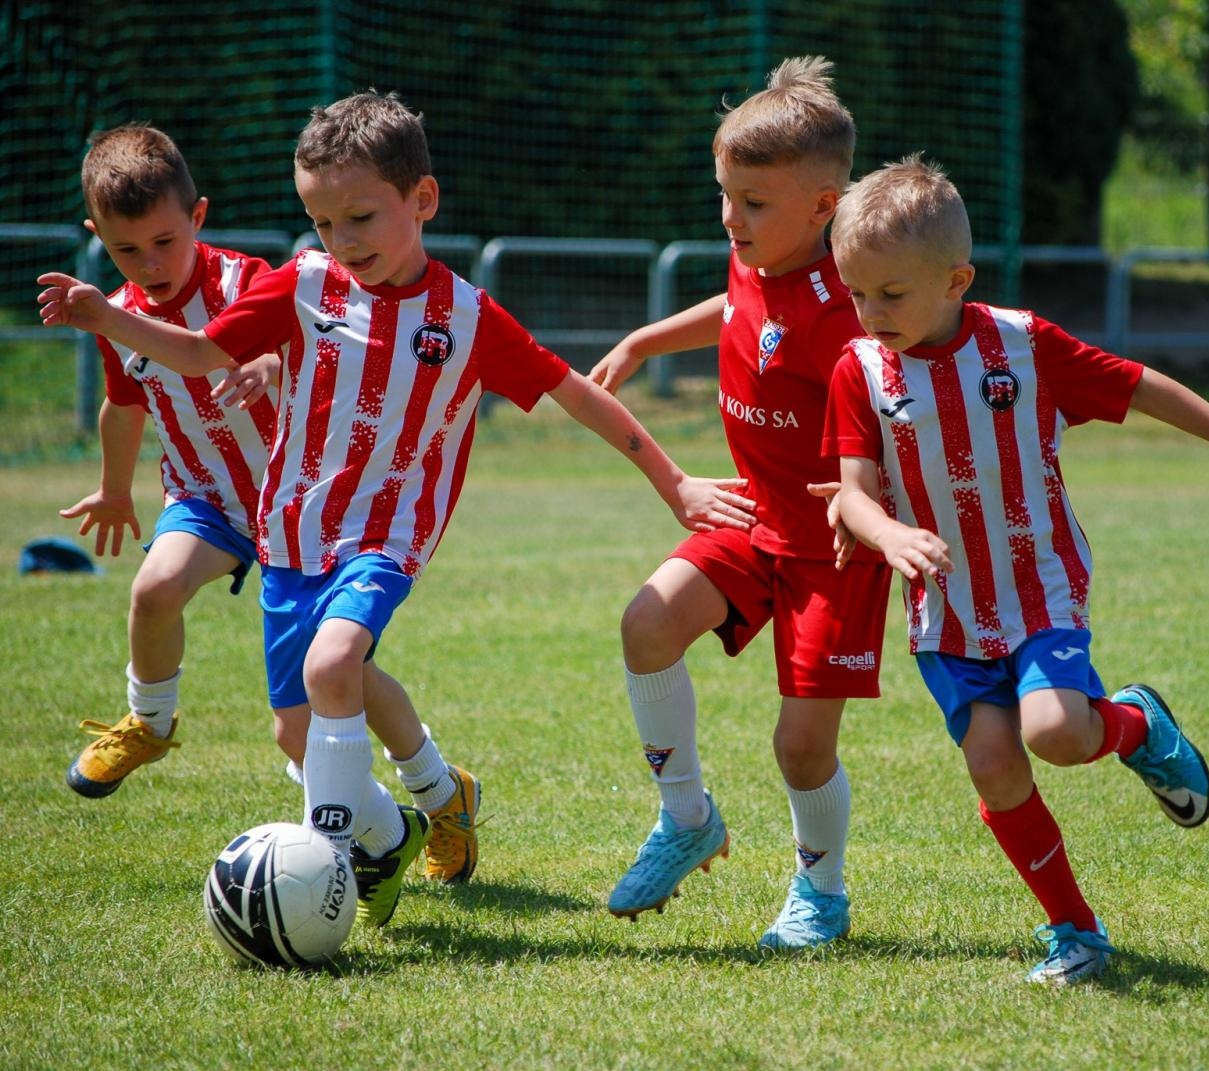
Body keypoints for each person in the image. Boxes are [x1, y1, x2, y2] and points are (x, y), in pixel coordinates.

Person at [39, 91, 755, 930]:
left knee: (335, 661)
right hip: (292, 532)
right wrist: (103, 317)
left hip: (385, 536)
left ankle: (329, 865)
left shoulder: (466, 317)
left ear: (422, 200)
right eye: (323, 221)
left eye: (360, 218)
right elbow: (199, 351)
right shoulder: (304, 284)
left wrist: (676, 484)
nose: (343, 241)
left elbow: (575, 394)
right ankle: (422, 811)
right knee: (295, 732)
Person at [823, 156, 1209, 984]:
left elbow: (1139, 386)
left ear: (956, 280)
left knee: (1055, 732)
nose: (872, 314)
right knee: (993, 762)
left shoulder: (1020, 346)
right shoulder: (859, 372)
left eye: (892, 295)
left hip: (1037, 588)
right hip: (944, 613)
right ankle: (1076, 930)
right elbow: (852, 493)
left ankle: (1135, 726)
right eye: (858, 294)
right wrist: (888, 535)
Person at [56, 125, 485, 905]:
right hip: (210, 500)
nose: (150, 266)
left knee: (334, 682)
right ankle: (151, 722)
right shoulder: (116, 316)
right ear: (98, 242)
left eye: (164, 242)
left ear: (199, 218)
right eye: (127, 251)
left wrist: (262, 363)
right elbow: (124, 408)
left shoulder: (249, 279)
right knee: (153, 591)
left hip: (308, 506)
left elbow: (308, 341)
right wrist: (117, 490)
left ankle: (436, 791)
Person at [588, 57, 891, 950]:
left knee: (799, 746)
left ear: (824, 207)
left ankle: (822, 895)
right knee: (646, 624)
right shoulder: (756, 252)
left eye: (753, 203)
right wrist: (647, 338)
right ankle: (686, 818)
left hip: (835, 544)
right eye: (725, 194)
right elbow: (739, 304)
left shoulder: (857, 312)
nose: (731, 217)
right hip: (753, 514)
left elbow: (904, 398)